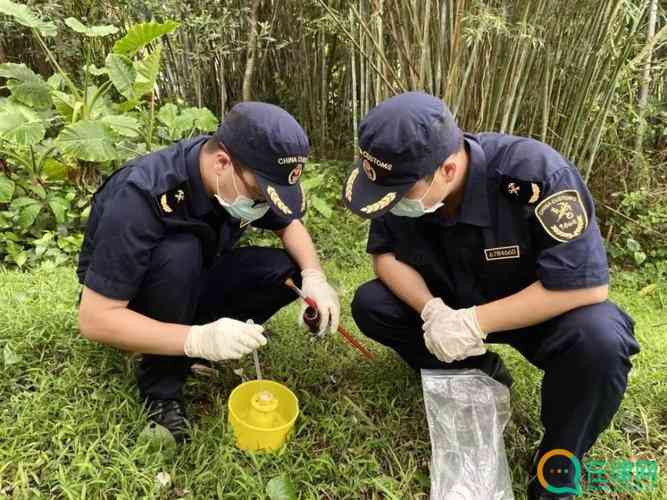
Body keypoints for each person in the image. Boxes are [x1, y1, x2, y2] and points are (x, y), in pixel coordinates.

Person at [342, 91, 640, 499]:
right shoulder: (405, 187)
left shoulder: (535, 175)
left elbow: (587, 284)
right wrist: (432, 311)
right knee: (372, 304)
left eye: (400, 193)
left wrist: (475, 322)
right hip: (450, 300)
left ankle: (557, 461)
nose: (392, 204)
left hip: (534, 310)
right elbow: (386, 256)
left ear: (447, 169)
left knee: (602, 339)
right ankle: (477, 372)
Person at [77, 102, 340, 443]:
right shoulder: (142, 194)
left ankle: (207, 339)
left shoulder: (236, 177)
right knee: (180, 251)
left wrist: (315, 277)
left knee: (285, 270)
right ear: (222, 163)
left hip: (194, 277)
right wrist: (195, 338)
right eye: (260, 195)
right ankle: (162, 390)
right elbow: (95, 318)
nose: (263, 206)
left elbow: (289, 224)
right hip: (132, 297)